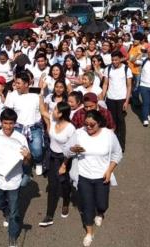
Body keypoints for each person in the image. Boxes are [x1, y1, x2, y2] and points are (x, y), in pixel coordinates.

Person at [65, 110, 122, 247]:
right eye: (86, 124)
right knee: (87, 206)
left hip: (102, 177)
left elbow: (117, 154)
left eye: (92, 125)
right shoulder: (79, 133)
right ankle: (89, 232)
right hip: (84, 176)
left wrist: (109, 171)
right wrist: (72, 149)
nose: (88, 127)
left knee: (102, 204)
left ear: (99, 123)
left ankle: (101, 213)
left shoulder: (109, 135)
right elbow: (66, 151)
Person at [0, 108, 31, 247]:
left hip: (14, 180)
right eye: (5, 123)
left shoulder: (20, 138)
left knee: (15, 212)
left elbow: (27, 161)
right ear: (1, 122)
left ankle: (12, 236)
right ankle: (6, 212)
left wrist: (27, 157)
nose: (8, 126)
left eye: (11, 123)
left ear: (15, 123)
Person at [38, 100, 75, 227]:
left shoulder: (71, 129)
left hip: (64, 159)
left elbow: (72, 149)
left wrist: (64, 165)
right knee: (53, 185)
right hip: (52, 157)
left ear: (61, 114)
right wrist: (41, 93)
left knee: (64, 183)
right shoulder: (53, 120)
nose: (52, 111)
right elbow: (43, 111)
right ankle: (49, 216)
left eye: (55, 110)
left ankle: (66, 202)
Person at [5, 71, 44, 177]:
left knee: (37, 151)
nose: (16, 86)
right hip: (18, 128)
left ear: (26, 84)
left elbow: (43, 111)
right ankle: (25, 171)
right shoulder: (12, 95)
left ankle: (38, 162)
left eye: (18, 83)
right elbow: (7, 112)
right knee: (20, 151)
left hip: (34, 128)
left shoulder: (36, 96)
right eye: (16, 83)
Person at [102, 51, 132, 152]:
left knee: (120, 122)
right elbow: (105, 84)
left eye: (116, 60)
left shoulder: (126, 69)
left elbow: (129, 86)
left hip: (121, 99)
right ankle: (111, 144)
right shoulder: (108, 69)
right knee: (110, 122)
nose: (114, 62)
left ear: (121, 59)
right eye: (113, 60)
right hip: (110, 99)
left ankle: (121, 145)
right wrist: (103, 95)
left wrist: (126, 101)